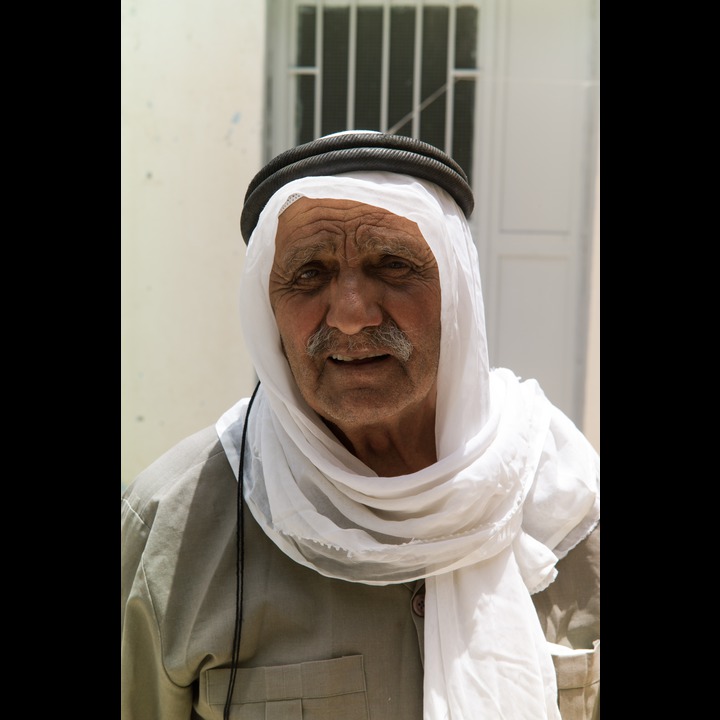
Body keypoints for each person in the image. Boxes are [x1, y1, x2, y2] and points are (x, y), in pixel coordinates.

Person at [121, 131, 600, 720]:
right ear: (266, 309)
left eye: (393, 266)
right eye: (308, 274)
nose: (351, 314)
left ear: (457, 291)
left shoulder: (572, 508)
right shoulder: (172, 525)